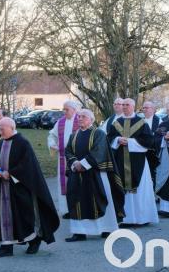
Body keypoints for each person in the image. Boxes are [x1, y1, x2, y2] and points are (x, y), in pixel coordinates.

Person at [0, 117, 59, 258]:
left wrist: (11, 173)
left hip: (20, 187)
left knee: (23, 218)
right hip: (3, 188)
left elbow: (28, 165)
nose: (0, 131)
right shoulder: (2, 143)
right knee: (4, 218)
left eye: (2, 129)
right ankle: (6, 247)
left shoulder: (23, 143)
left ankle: (34, 240)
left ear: (11, 127)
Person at [64, 109, 125, 242]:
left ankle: (107, 229)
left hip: (96, 174)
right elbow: (68, 151)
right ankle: (79, 232)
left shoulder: (99, 134)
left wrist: (84, 164)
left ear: (91, 119)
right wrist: (75, 162)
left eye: (83, 117)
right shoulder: (73, 135)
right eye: (79, 116)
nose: (80, 119)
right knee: (76, 200)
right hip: (77, 174)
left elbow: (99, 151)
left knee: (99, 199)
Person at [106, 98, 159, 226]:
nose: (124, 107)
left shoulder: (142, 123)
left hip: (137, 162)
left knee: (140, 190)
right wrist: (118, 139)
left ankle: (141, 218)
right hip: (120, 160)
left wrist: (130, 142)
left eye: (127, 105)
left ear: (133, 106)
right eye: (123, 104)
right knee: (120, 187)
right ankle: (124, 218)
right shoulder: (116, 122)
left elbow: (148, 141)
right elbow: (109, 138)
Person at [47, 100, 82, 217]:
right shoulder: (60, 122)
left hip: (77, 159)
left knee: (77, 183)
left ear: (74, 110)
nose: (64, 112)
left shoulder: (81, 120)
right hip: (63, 158)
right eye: (64, 109)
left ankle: (78, 208)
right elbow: (52, 135)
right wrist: (52, 144)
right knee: (65, 183)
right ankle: (67, 210)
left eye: (66, 109)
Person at [141, 101, 162, 182]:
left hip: (153, 151)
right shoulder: (140, 120)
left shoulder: (159, 121)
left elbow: (160, 137)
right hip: (141, 150)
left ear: (153, 109)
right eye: (143, 108)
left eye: (147, 107)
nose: (144, 109)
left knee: (152, 172)